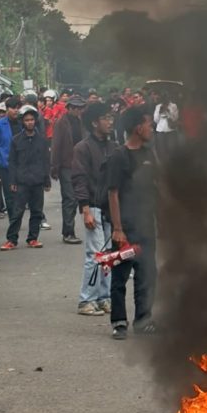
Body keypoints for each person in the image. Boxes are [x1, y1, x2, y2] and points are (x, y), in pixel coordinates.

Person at [107, 107, 158, 339]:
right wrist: (118, 229)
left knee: (147, 274)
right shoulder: (119, 156)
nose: (152, 128)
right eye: (149, 124)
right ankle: (119, 322)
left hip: (147, 225)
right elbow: (113, 193)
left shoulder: (150, 154)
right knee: (120, 275)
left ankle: (143, 320)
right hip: (126, 228)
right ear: (138, 127)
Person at [71, 101, 117, 315]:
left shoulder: (113, 146)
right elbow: (79, 180)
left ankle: (104, 297)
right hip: (94, 207)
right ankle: (86, 300)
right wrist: (85, 209)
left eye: (111, 117)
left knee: (109, 255)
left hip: (110, 208)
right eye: (106, 118)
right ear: (94, 122)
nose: (110, 121)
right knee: (95, 254)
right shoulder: (82, 148)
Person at [0, 106, 51, 251]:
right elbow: (12, 162)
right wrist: (13, 181)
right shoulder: (16, 140)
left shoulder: (41, 140)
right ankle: (11, 240)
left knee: (36, 211)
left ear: (35, 121)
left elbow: (46, 160)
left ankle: (33, 238)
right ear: (23, 122)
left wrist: (46, 180)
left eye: (32, 120)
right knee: (17, 212)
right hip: (21, 182)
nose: (30, 122)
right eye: (27, 120)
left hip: (37, 181)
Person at [51, 95, 86, 244]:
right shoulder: (61, 123)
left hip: (79, 164)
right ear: (69, 108)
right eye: (75, 108)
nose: (78, 110)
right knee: (70, 198)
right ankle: (68, 232)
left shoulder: (80, 122)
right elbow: (56, 145)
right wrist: (54, 166)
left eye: (80, 108)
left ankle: (70, 230)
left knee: (79, 197)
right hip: (66, 165)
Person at [0, 95, 22, 217]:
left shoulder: (21, 123)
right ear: (8, 109)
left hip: (21, 164)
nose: (16, 110)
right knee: (10, 195)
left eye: (18, 108)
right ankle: (13, 219)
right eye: (13, 108)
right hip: (6, 165)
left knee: (22, 193)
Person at [153, 92, 179, 163]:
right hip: (161, 131)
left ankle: (172, 165)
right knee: (162, 150)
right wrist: (159, 112)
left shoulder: (173, 106)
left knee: (172, 149)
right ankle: (164, 166)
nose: (165, 100)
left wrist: (169, 112)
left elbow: (175, 119)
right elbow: (155, 120)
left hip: (171, 130)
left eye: (166, 98)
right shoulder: (158, 106)